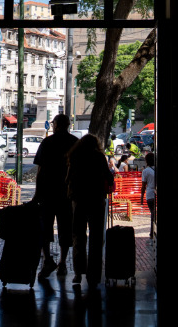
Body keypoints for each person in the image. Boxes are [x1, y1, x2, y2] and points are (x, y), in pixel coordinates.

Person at [33, 114, 78, 279]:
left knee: (45, 228)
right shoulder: (74, 142)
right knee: (65, 228)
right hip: (67, 193)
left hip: (48, 192)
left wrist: (37, 194)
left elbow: (40, 171)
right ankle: (63, 263)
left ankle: (47, 260)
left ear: (57, 125)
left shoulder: (47, 142)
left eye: (53, 123)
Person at [66, 134, 114, 287]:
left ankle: (78, 273)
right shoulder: (99, 157)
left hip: (79, 199)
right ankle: (94, 275)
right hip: (96, 200)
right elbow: (109, 177)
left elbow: (68, 179)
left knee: (78, 236)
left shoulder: (75, 156)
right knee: (96, 237)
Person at [140, 152, 156, 238]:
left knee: (153, 213)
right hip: (156, 194)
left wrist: (141, 197)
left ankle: (152, 233)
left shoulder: (145, 171)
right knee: (154, 214)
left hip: (150, 195)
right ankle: (153, 232)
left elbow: (143, 186)